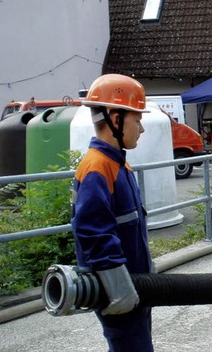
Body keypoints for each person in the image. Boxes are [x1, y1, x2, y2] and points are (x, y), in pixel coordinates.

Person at [72, 74, 154, 351]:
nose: (141, 128)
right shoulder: (98, 167)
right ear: (115, 119)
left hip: (135, 287)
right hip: (118, 290)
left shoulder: (118, 166)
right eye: (137, 119)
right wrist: (117, 287)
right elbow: (92, 232)